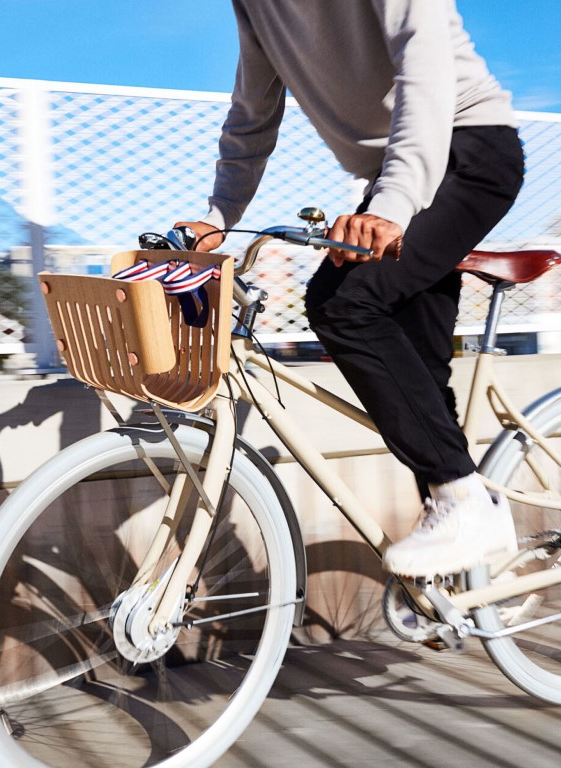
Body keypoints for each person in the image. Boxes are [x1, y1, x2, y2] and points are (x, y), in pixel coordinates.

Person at [175, 0, 525, 579]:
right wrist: (219, 215)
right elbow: (252, 114)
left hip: (467, 148)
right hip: (398, 175)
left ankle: (468, 503)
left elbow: (423, 58)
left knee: (344, 302)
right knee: (416, 372)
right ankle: (468, 559)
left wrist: (391, 204)